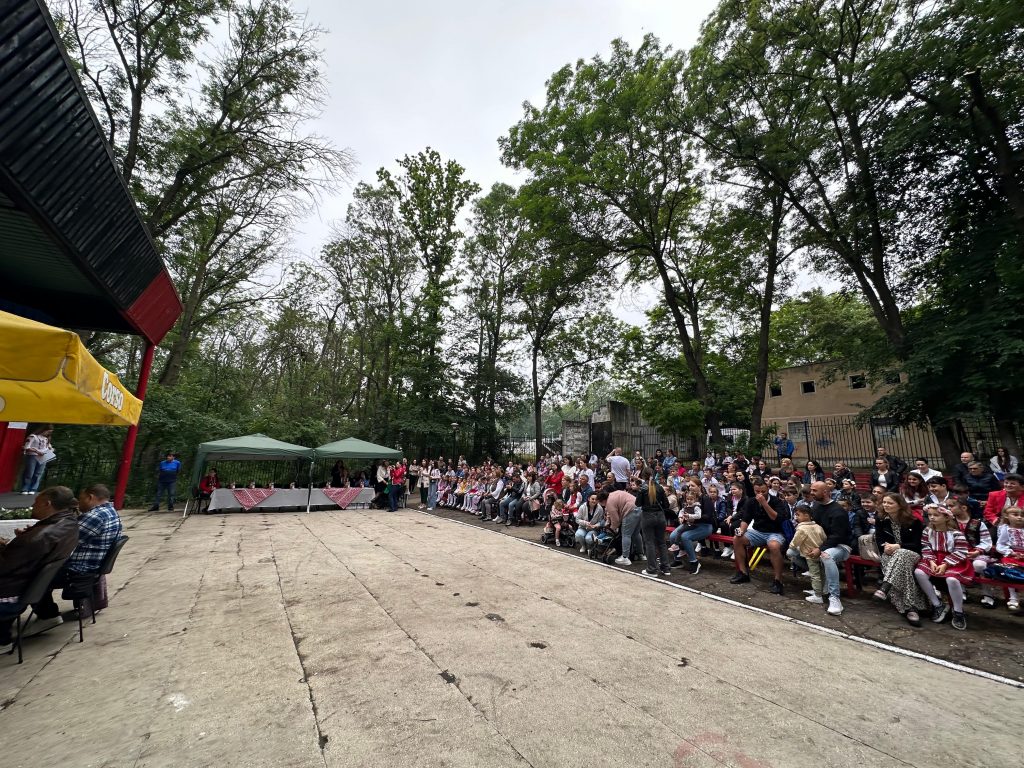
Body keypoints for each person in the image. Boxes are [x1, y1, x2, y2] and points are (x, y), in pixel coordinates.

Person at [0, 487, 80, 647]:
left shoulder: (36, 538)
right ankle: (47, 614)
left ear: (47, 504)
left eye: (36, 502)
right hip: (30, 586)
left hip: (11, 594)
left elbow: (4, 568)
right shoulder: (70, 523)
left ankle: (3, 639)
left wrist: (5, 547)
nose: (32, 506)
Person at [32, 484, 122, 623]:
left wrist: (32, 537)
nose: (79, 503)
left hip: (77, 571)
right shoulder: (111, 512)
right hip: (91, 569)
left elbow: (62, 542)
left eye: (81, 499)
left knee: (29, 575)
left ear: (90, 497)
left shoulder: (94, 516)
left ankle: (48, 616)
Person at [790, 481, 851, 615]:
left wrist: (820, 548)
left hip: (840, 546)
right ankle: (820, 587)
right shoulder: (816, 506)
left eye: (814, 490)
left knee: (826, 556)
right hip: (820, 544)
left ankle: (834, 598)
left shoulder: (838, 511)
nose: (811, 493)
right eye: (811, 490)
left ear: (825, 492)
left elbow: (838, 536)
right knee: (792, 553)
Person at [728, 475, 790, 594]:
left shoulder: (777, 501)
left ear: (768, 489)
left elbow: (775, 518)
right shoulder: (751, 501)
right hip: (758, 532)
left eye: (763, 491)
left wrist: (764, 503)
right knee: (737, 539)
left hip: (775, 532)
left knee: (773, 546)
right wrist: (741, 531)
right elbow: (746, 519)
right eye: (757, 491)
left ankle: (778, 581)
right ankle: (743, 573)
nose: (760, 494)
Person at [914, 504, 972, 630]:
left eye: (936, 515)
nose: (932, 517)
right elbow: (925, 546)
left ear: (946, 517)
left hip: (953, 561)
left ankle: (958, 611)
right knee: (919, 572)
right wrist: (931, 561)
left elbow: (961, 551)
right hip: (934, 559)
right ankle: (937, 604)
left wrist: (946, 564)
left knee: (952, 579)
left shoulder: (956, 534)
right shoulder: (927, 531)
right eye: (930, 515)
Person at [872, 493, 927, 626]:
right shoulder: (880, 519)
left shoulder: (913, 520)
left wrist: (899, 546)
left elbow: (918, 544)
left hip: (912, 553)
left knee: (901, 554)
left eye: (890, 503)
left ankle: (885, 587)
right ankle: (910, 607)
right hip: (890, 554)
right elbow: (879, 539)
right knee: (902, 568)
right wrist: (885, 547)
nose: (886, 505)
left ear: (900, 505)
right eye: (884, 502)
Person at [635, 468, 672, 577]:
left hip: (647, 516)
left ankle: (652, 569)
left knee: (649, 543)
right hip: (660, 516)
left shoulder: (643, 488)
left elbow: (637, 504)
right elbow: (666, 505)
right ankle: (666, 568)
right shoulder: (659, 487)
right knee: (662, 542)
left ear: (643, 476)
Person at [787, 506, 826, 603]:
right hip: (820, 552)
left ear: (806, 516)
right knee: (821, 573)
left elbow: (795, 542)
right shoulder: (818, 527)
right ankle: (820, 591)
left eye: (798, 515)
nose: (796, 517)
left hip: (809, 554)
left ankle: (818, 595)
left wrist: (791, 546)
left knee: (814, 574)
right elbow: (824, 538)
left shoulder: (801, 528)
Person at [603, 483, 643, 566]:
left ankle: (625, 557)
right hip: (639, 508)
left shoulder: (609, 501)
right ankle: (641, 554)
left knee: (626, 535)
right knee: (636, 533)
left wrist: (612, 528)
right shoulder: (617, 493)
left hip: (630, 510)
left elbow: (616, 520)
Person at [994, 506, 1024, 613]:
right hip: (1012, 556)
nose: (1019, 517)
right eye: (1015, 515)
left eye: (1022, 515)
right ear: (1007, 516)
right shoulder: (1006, 529)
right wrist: (1011, 552)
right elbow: (1000, 545)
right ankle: (1013, 597)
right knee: (1010, 572)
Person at [20, 425, 54, 495]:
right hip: (32, 456)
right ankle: (25, 488)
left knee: (38, 473)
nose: (49, 433)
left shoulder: (46, 439)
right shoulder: (33, 436)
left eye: (50, 432)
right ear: (43, 430)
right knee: (29, 472)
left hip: (43, 457)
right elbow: (26, 447)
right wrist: (37, 451)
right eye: (48, 431)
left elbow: (49, 447)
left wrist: (51, 450)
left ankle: (33, 488)